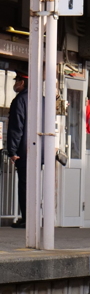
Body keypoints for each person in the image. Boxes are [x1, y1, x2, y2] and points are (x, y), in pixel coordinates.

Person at [6, 74, 27, 228]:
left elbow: (16, 128)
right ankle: (30, 217)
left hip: (24, 151)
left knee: (24, 186)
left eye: (17, 81)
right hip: (38, 151)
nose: (15, 84)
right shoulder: (42, 99)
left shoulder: (20, 100)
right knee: (33, 185)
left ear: (22, 82)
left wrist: (12, 151)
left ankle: (26, 218)